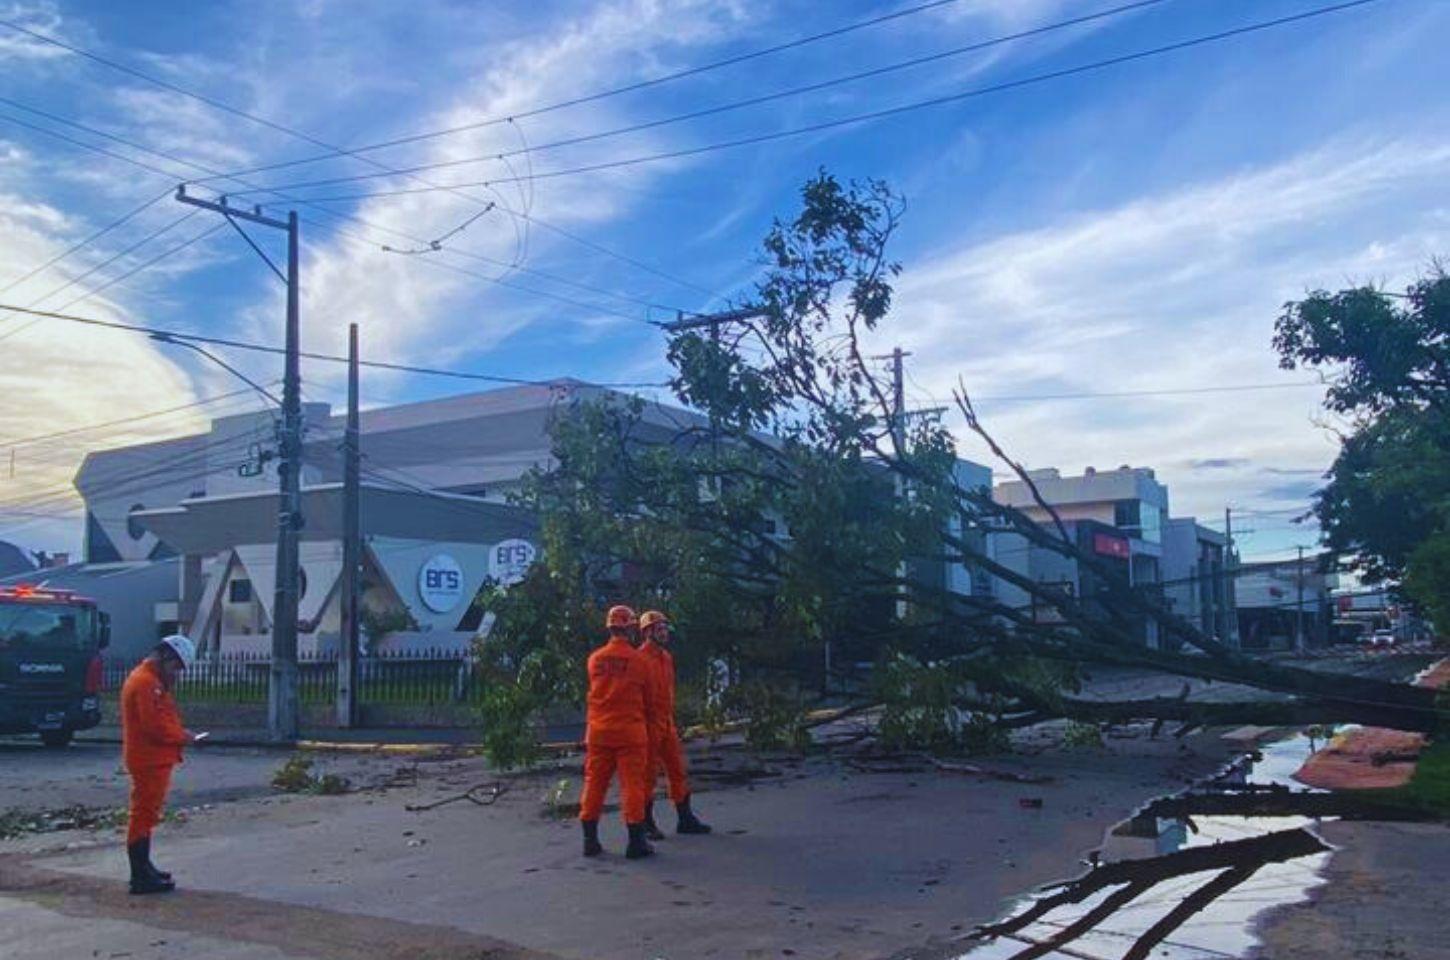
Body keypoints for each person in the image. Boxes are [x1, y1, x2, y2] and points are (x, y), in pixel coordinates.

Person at [120, 634, 196, 895]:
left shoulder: (149, 680)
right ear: (165, 657)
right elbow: (155, 726)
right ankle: (140, 875)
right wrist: (183, 737)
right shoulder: (146, 683)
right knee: (143, 813)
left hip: (152, 757)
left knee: (147, 812)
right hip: (149, 758)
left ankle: (144, 868)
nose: (176, 673)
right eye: (176, 667)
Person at [578, 605, 655, 859]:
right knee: (632, 785)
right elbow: (650, 699)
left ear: (610, 628)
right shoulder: (640, 661)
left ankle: (589, 840)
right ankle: (636, 842)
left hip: (599, 732)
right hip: (630, 732)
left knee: (594, 784)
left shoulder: (594, 659)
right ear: (631, 629)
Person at [637, 610, 711, 839]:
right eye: (659, 629)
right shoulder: (639, 659)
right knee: (647, 774)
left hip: (666, 722)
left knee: (677, 770)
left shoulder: (666, 658)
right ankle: (646, 823)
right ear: (647, 632)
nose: (664, 633)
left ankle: (685, 818)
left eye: (665, 628)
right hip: (648, 723)